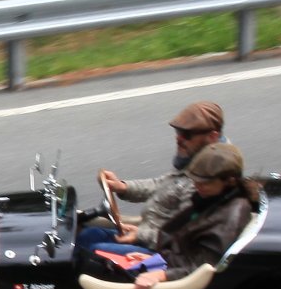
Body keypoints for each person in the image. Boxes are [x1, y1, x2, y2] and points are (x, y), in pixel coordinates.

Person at [86, 143, 259, 289]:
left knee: (91, 256)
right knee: (90, 242)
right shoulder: (209, 199)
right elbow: (179, 240)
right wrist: (154, 259)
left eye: (204, 182)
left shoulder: (230, 217)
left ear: (229, 181)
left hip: (175, 275)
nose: (197, 186)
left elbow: (203, 267)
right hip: (167, 261)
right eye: (195, 180)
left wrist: (161, 273)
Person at [77, 100, 226, 252]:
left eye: (186, 135)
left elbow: (183, 233)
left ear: (212, 137)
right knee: (88, 235)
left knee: (93, 252)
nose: (179, 138)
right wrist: (122, 187)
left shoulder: (208, 179)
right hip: (148, 231)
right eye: (178, 132)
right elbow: (162, 185)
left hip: (162, 251)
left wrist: (141, 235)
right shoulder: (194, 159)